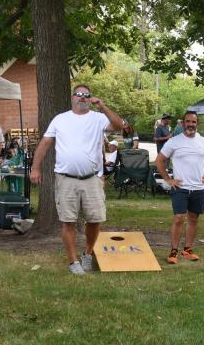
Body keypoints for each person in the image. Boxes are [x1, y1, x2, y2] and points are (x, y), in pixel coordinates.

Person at [31, 84, 123, 275]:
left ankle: (87, 254)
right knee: (68, 221)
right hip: (66, 179)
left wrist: (103, 107)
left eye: (86, 95)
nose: (82, 97)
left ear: (90, 99)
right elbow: (45, 143)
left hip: (92, 179)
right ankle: (73, 262)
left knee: (95, 220)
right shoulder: (60, 119)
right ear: (72, 98)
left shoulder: (98, 118)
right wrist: (35, 168)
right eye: (78, 94)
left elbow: (119, 126)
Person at [155, 111, 204, 265]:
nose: (191, 124)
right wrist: (168, 179)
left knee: (193, 219)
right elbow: (160, 160)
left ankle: (187, 249)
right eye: (188, 121)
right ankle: (174, 251)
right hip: (180, 187)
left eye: (194, 122)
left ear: (197, 124)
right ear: (183, 123)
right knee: (178, 218)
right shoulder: (174, 141)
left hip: (198, 188)